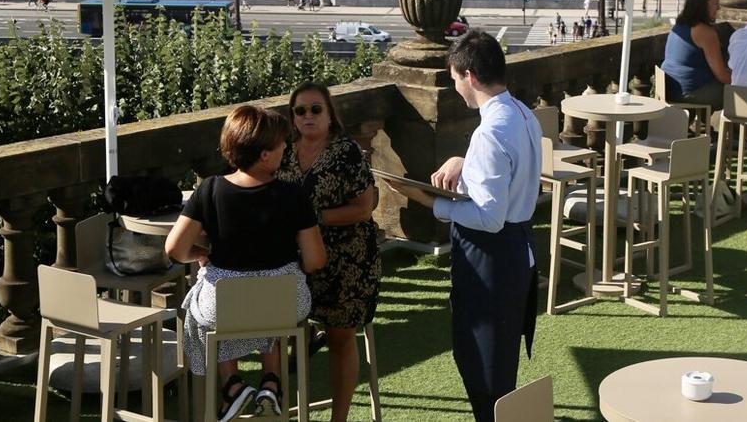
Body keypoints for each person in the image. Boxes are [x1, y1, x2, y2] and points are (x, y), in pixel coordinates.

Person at [383, 30, 541, 422]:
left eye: (454, 78)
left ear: (469, 75)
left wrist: (434, 204)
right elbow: (505, 177)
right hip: (517, 251)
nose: (455, 87)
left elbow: (489, 216)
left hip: (492, 259)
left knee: (483, 366)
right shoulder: (523, 114)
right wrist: (462, 161)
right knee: (499, 363)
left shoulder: (490, 132)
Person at [166, 105, 327, 420]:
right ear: (265, 155)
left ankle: (232, 384)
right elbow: (315, 260)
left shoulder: (209, 190)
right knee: (271, 304)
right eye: (281, 143)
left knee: (203, 307)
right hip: (282, 301)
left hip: (227, 305)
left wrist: (201, 254)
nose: (286, 147)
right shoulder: (293, 195)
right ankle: (272, 382)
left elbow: (174, 248)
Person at [276, 83, 380, 422]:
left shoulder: (347, 152)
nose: (308, 116)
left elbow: (364, 208)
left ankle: (339, 418)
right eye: (300, 110)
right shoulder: (283, 152)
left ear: (330, 114)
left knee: (340, 338)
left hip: (346, 260)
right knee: (278, 333)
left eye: (315, 109)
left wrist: (314, 219)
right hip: (295, 261)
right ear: (292, 117)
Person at [661, 0, 731, 108]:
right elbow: (722, 75)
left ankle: (703, 124)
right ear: (703, 5)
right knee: (739, 94)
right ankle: (738, 127)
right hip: (690, 91)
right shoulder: (705, 32)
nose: (718, 8)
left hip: (669, 87)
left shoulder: (679, 25)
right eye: (715, 3)